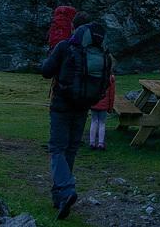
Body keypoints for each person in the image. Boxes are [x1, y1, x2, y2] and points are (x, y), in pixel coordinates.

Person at [41, 12, 112, 220]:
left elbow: (46, 71)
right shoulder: (101, 52)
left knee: (57, 149)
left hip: (62, 105)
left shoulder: (64, 47)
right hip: (82, 106)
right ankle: (60, 197)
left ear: (75, 28)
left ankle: (66, 188)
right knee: (71, 149)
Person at [89, 71, 116, 151]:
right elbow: (112, 94)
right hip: (104, 105)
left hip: (93, 103)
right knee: (102, 123)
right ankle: (101, 143)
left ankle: (92, 142)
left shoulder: (93, 76)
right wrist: (110, 107)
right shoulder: (110, 78)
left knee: (94, 121)